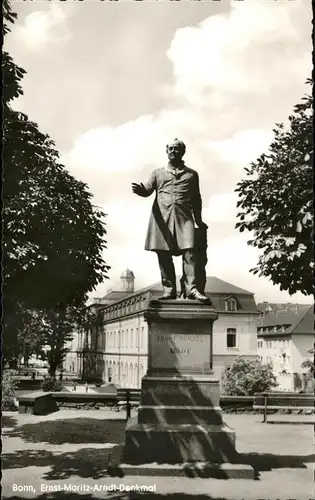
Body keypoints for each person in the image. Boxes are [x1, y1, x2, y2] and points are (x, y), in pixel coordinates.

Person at [132, 138, 209, 302]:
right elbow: (147, 189)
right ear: (166, 151)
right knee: (163, 254)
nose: (174, 151)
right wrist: (141, 191)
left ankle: (192, 289)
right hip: (162, 219)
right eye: (171, 149)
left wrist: (199, 220)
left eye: (177, 149)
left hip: (184, 217)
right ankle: (169, 290)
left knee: (190, 252)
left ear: (183, 152)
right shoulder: (157, 173)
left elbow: (196, 198)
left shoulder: (191, 174)